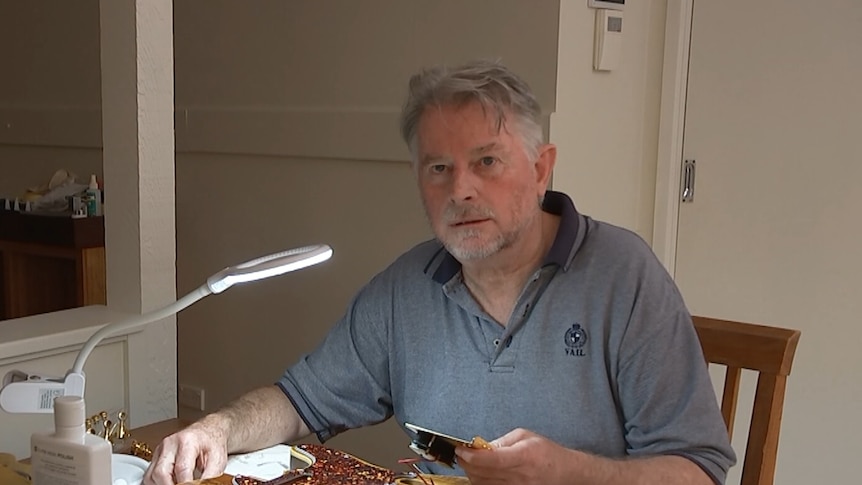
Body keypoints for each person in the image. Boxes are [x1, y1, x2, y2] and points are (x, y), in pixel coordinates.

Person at [143, 59, 735, 485]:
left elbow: (697, 471)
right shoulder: (405, 291)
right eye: (438, 168)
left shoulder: (624, 277)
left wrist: (567, 473)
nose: (461, 190)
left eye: (486, 161)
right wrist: (216, 430)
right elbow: (301, 403)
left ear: (541, 169)